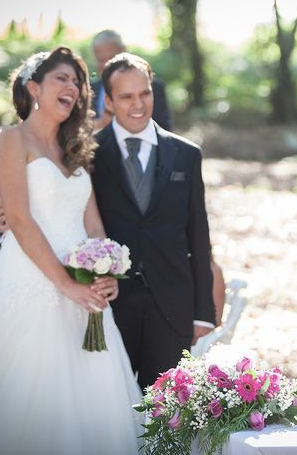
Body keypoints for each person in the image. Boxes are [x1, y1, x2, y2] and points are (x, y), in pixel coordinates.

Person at [0, 47, 142, 454]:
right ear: (34, 87)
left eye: (77, 82)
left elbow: (94, 226)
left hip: (83, 293)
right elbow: (18, 218)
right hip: (33, 281)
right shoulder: (12, 140)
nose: (73, 87)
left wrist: (106, 274)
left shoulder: (76, 152)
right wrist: (66, 285)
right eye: (62, 78)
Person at [91, 52, 215, 389]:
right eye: (126, 96)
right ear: (110, 101)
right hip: (109, 305)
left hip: (172, 303)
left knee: (164, 414)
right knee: (109, 403)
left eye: (144, 93)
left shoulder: (186, 154)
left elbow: (198, 237)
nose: (138, 104)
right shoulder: (87, 154)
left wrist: (203, 310)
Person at [91, 30, 172, 132]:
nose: (108, 65)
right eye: (101, 60)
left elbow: (165, 131)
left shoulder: (154, 87)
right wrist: (100, 124)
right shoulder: (88, 90)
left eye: (112, 58)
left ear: (124, 52)